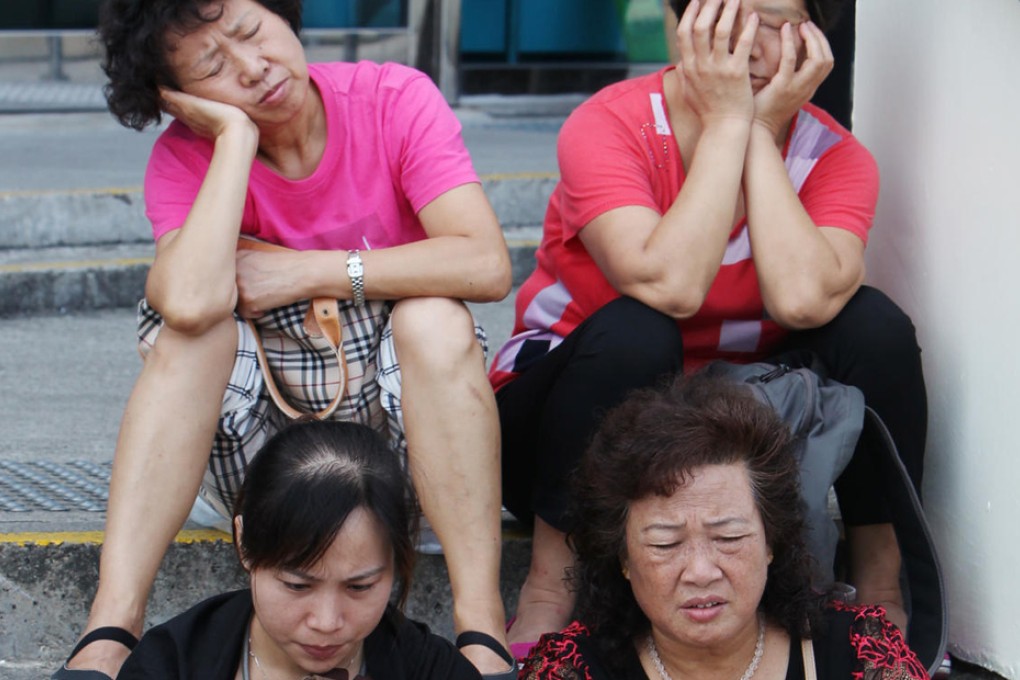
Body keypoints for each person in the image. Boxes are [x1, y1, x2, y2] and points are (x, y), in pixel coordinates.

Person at [56, 0, 516, 678]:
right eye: (213, 67)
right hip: (255, 463)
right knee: (190, 334)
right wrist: (233, 141)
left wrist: (310, 271)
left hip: (393, 454)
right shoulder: (188, 158)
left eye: (249, 32)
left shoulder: (391, 97)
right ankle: (112, 623)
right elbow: (186, 300)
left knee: (435, 318)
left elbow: (486, 263)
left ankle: (482, 626)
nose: (253, 68)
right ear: (178, 99)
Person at [490, 0, 926, 657]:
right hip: (566, 423)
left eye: (775, 22)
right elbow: (670, 284)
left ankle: (882, 588)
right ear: (683, 20)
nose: (747, 46)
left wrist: (759, 137)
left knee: (875, 326)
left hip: (738, 436)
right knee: (641, 327)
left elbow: (805, 300)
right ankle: (551, 587)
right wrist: (730, 124)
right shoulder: (611, 123)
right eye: (727, 15)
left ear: (817, 39)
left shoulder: (836, 156)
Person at [519, 374, 931, 680]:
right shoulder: (573, 670)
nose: (701, 571)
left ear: (772, 541)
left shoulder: (857, 654)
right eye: (665, 543)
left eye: (729, 537)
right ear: (623, 556)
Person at [114, 420, 483, 679]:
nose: (326, 622)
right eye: (297, 585)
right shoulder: (172, 663)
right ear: (243, 542)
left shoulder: (430, 668)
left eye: (359, 587)